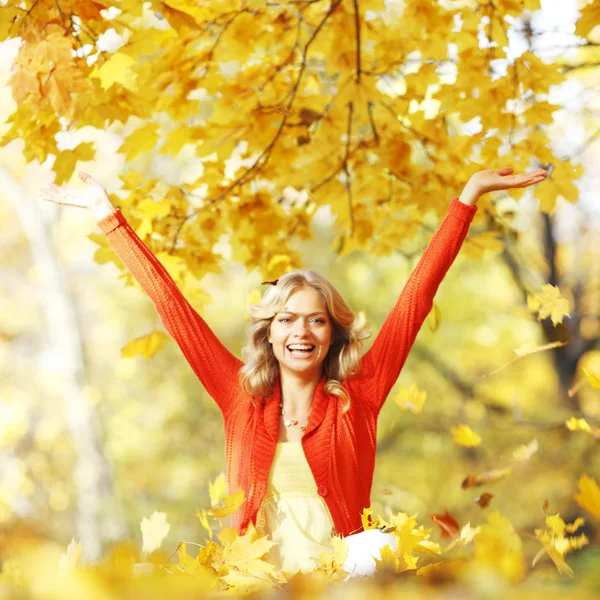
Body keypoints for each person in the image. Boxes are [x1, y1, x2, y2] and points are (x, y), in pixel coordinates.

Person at [37, 166, 547, 577]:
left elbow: (417, 296)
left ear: (332, 333)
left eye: (316, 320)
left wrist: (468, 195)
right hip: (259, 585)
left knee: (376, 551)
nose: (301, 331)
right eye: (288, 319)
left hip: (341, 583)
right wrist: (108, 217)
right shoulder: (240, 397)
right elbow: (171, 305)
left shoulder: (358, 397)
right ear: (270, 331)